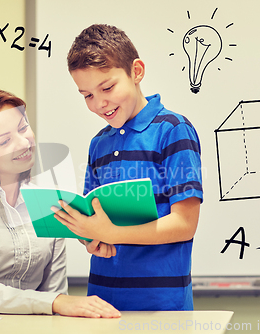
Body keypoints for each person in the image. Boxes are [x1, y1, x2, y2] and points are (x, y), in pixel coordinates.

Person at [0, 87, 120, 318]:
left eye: (23, 128)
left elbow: (55, 293)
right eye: (5, 140)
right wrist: (57, 302)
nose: (23, 143)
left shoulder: (49, 202)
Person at [51, 24, 203, 311]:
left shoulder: (173, 130)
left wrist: (112, 233)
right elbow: (95, 218)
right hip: (102, 300)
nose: (100, 103)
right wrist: (92, 238)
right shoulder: (99, 143)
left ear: (136, 72)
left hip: (161, 306)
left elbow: (185, 225)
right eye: (87, 95)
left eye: (107, 87)